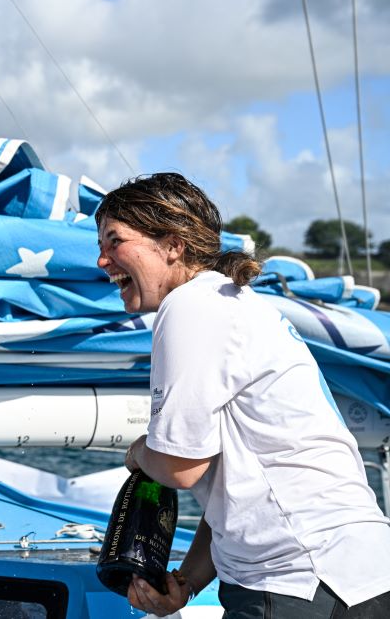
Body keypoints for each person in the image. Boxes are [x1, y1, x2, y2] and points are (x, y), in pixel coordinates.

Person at [94, 172, 390, 618]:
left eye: (114, 241)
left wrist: (138, 453)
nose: (102, 260)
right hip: (356, 574)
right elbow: (235, 487)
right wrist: (188, 583)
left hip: (298, 583)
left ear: (173, 245)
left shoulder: (190, 306)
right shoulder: (234, 303)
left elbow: (179, 466)